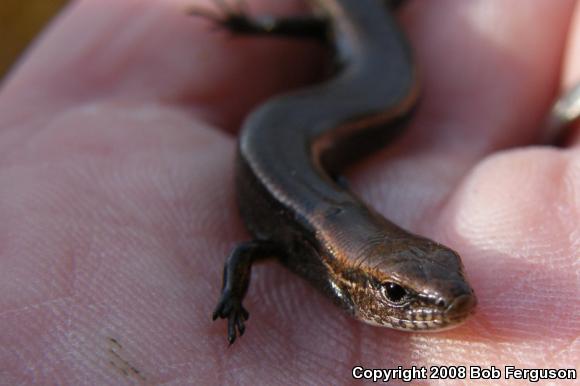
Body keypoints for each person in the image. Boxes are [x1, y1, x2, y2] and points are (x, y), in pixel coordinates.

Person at [0, 0, 577, 384]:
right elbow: (245, 252)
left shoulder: (324, 236)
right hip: (341, 85)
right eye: (400, 294)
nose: (451, 300)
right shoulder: (306, 238)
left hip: (355, 94)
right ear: (357, 278)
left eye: (446, 277)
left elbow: (252, 248)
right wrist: (232, 298)